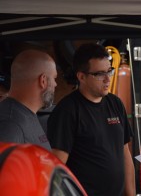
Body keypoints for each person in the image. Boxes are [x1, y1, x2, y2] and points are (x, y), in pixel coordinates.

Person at [47, 43, 135, 196]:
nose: (108, 79)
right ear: (81, 77)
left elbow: (125, 153)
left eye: (109, 71)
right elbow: (57, 166)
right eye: (100, 74)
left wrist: (131, 194)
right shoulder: (67, 111)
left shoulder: (115, 103)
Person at [0, 50, 57, 150]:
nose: (56, 84)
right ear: (43, 80)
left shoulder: (25, 114)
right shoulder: (11, 126)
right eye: (54, 78)